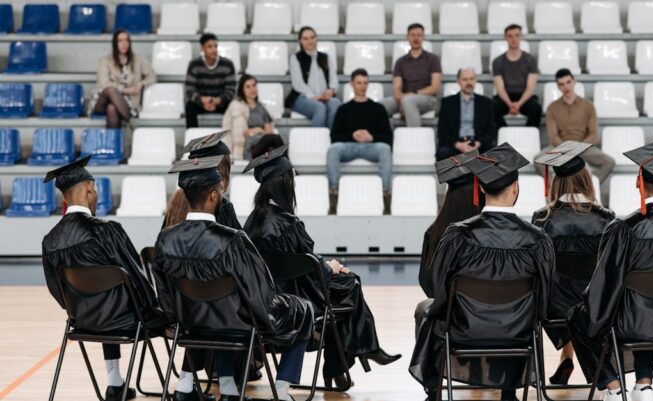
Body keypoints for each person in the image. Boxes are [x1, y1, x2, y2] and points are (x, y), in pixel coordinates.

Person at [155, 155, 314, 401]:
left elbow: (164, 290)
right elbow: (258, 292)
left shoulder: (165, 238)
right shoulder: (232, 240)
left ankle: (227, 389)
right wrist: (267, 317)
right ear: (213, 196)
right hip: (233, 322)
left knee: (217, 308)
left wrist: (179, 317)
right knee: (302, 308)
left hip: (191, 322)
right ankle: (281, 391)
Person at [242, 145, 402, 388]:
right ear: (284, 183)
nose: (294, 184)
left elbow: (296, 261)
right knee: (349, 286)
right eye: (292, 178)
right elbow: (304, 267)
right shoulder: (287, 223)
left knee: (343, 291)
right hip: (296, 298)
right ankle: (351, 358)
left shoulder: (254, 220)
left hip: (264, 295)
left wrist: (324, 266)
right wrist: (330, 268)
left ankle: (349, 361)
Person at [410, 143, 555, 401]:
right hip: (518, 332)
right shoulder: (538, 239)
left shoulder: (457, 235)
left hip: (463, 329)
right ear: (515, 188)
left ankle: (434, 393)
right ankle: (508, 391)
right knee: (514, 314)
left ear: (482, 188)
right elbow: (544, 296)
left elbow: (438, 287)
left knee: (429, 310)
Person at [567, 140, 653, 401]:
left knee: (582, 316)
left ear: (638, 183)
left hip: (632, 323)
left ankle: (612, 386)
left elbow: (605, 286)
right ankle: (644, 384)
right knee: (645, 307)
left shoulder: (623, 228)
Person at [40, 157, 174, 401]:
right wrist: (154, 306)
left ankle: (115, 382)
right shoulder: (106, 230)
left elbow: (56, 288)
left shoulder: (50, 240)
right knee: (177, 312)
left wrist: (79, 309)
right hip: (127, 323)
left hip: (82, 321)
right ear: (90, 187)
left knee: (103, 300)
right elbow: (136, 279)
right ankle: (186, 383)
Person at [531, 141, 615, 385]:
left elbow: (539, 267)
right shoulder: (606, 218)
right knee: (581, 296)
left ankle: (566, 354)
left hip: (554, 305)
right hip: (595, 302)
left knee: (554, 288)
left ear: (556, 183)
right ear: (587, 180)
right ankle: (586, 359)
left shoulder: (543, 218)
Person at [414, 149, 484, 336]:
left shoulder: (435, 232)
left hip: (452, 322)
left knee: (423, 308)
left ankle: (433, 365)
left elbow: (428, 285)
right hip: (504, 321)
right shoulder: (493, 233)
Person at [327, 68, 393, 212]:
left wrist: (372, 137)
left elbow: (388, 137)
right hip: (349, 146)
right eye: (359, 83)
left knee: (385, 149)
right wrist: (352, 135)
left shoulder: (378, 108)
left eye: (365, 83)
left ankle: (385, 193)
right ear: (352, 84)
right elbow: (334, 137)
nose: (362, 86)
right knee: (333, 150)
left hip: (372, 147)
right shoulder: (343, 109)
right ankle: (334, 193)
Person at [535, 69, 615, 182]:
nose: (566, 87)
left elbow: (593, 134)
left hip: (583, 146)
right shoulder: (552, 108)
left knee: (609, 162)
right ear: (558, 87)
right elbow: (553, 137)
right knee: (539, 160)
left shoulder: (588, 105)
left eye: (568, 82)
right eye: (561, 84)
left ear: (574, 82)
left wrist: (578, 148)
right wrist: (567, 150)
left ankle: (590, 186)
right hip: (560, 146)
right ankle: (555, 187)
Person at [90, 29, 156, 128]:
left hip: (126, 102)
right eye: (120, 41)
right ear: (115, 44)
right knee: (111, 90)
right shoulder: (105, 61)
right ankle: (130, 120)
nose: (124, 44)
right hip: (102, 101)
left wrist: (142, 83)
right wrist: (127, 90)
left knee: (112, 108)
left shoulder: (137, 60)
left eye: (127, 40)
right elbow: (104, 84)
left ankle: (113, 142)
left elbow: (152, 76)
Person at [380, 23, 442, 127]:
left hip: (428, 100)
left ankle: (415, 139)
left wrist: (411, 95)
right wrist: (403, 102)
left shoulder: (432, 59)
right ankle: (382, 139)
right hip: (404, 99)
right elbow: (396, 89)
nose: (416, 38)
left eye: (419, 35)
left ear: (423, 37)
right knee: (380, 107)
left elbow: (435, 87)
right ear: (407, 37)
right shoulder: (400, 62)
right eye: (413, 35)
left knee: (409, 101)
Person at [285, 26, 341, 129]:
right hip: (302, 98)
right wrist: (313, 97)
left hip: (324, 97)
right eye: (305, 38)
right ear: (300, 41)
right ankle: (317, 142)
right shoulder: (296, 58)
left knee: (335, 103)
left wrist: (331, 91)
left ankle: (330, 139)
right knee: (319, 107)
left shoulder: (326, 57)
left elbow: (333, 78)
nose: (310, 41)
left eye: (312, 37)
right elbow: (298, 83)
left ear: (316, 38)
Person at [436, 68, 496, 160]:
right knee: (442, 154)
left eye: (471, 79)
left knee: (495, 156)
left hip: (478, 143)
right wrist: (459, 145)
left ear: (475, 80)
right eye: (465, 79)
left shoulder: (486, 103)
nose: (469, 82)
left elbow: (492, 131)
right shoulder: (447, 103)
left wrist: (478, 143)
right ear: (458, 81)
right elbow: (442, 132)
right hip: (456, 143)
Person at [491, 24, 542, 129]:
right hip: (506, 97)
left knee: (536, 108)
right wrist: (510, 104)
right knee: (492, 107)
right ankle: (504, 136)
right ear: (505, 37)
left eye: (517, 35)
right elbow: (500, 88)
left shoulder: (530, 60)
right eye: (510, 36)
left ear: (521, 37)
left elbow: (530, 88)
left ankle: (528, 138)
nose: (514, 39)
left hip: (524, 97)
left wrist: (518, 104)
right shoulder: (497, 61)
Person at [184, 33, 237, 128]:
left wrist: (218, 100)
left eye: (215, 46)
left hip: (221, 102)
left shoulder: (227, 64)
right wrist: (202, 100)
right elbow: (189, 90)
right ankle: (194, 140)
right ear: (202, 49)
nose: (214, 49)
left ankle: (231, 138)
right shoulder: (194, 64)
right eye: (210, 46)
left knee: (234, 106)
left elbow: (231, 90)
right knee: (190, 106)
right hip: (201, 102)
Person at [222, 74, 276, 160]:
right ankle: (290, 169)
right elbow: (241, 133)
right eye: (248, 87)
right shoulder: (237, 106)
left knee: (272, 147)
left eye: (254, 85)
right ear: (242, 90)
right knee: (275, 141)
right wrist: (259, 131)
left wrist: (258, 130)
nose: (252, 89)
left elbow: (269, 132)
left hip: (263, 144)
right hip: (248, 147)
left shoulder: (261, 107)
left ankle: (287, 169)